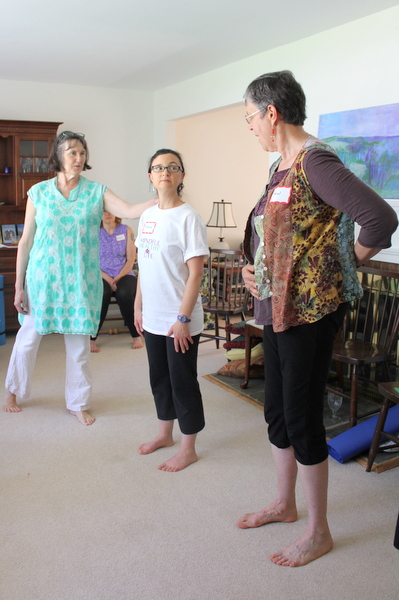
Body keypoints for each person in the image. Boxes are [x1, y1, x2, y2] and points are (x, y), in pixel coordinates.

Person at [237, 71, 398, 567]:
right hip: (275, 308)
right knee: (277, 413)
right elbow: (284, 235)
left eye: (250, 118)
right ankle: (285, 505)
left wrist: (340, 264)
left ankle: (318, 530)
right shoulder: (279, 167)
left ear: (272, 113)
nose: (250, 128)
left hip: (308, 314)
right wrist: (255, 267)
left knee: (304, 418)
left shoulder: (316, 161)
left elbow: (381, 220)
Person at [3, 130, 156, 425]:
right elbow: (26, 241)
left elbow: (128, 210)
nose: (78, 157)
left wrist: (161, 195)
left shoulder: (97, 191)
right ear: (58, 155)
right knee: (26, 341)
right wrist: (19, 286)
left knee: (78, 348)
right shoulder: (38, 192)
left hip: (80, 281)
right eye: (72, 151)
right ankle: (13, 391)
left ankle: (77, 402)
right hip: (42, 279)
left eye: (82, 152)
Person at [134, 149, 208, 472]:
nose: (165, 171)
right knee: (159, 379)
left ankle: (188, 448)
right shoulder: (147, 216)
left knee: (183, 381)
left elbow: (196, 273)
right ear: (150, 176)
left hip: (180, 319)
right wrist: (137, 306)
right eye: (158, 167)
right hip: (151, 316)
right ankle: (165, 435)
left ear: (181, 176)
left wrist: (183, 318)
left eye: (172, 167)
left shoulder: (188, 217)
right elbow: (142, 265)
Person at [90, 210, 142, 352]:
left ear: (116, 213)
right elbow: (91, 261)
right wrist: (108, 278)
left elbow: (131, 260)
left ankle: (136, 335)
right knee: (102, 293)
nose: (107, 214)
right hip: (101, 275)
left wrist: (118, 278)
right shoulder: (93, 232)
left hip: (124, 273)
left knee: (124, 293)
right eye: (103, 212)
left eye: (110, 211)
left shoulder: (126, 230)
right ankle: (91, 338)